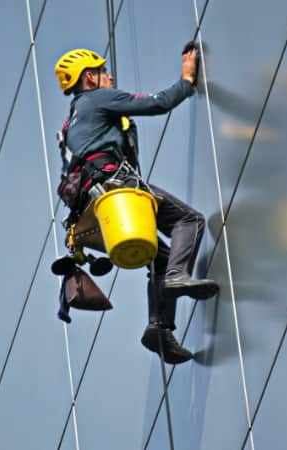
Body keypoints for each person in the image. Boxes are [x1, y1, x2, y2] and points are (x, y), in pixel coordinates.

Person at [53, 46, 218, 364]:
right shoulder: (96, 99)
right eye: (103, 71)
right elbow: (157, 103)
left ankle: (159, 328)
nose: (110, 76)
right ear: (90, 77)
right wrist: (186, 80)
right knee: (189, 221)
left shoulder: (71, 121)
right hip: (115, 190)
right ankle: (177, 276)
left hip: (91, 213)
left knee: (161, 256)